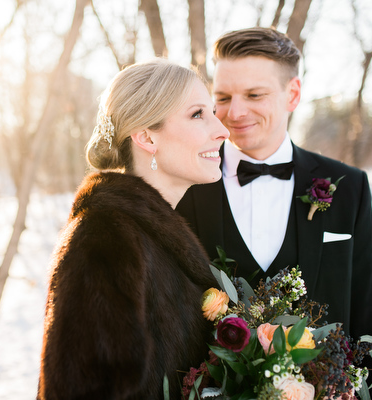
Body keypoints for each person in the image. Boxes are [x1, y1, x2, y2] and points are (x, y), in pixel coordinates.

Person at [176, 27, 372, 399]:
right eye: (222, 97)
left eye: (254, 95)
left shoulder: (348, 187)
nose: (235, 112)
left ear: (293, 94)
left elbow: (366, 313)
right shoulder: (185, 187)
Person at [37, 59, 230, 399]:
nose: (222, 130)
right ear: (145, 136)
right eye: (198, 114)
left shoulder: (153, 233)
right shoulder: (103, 241)